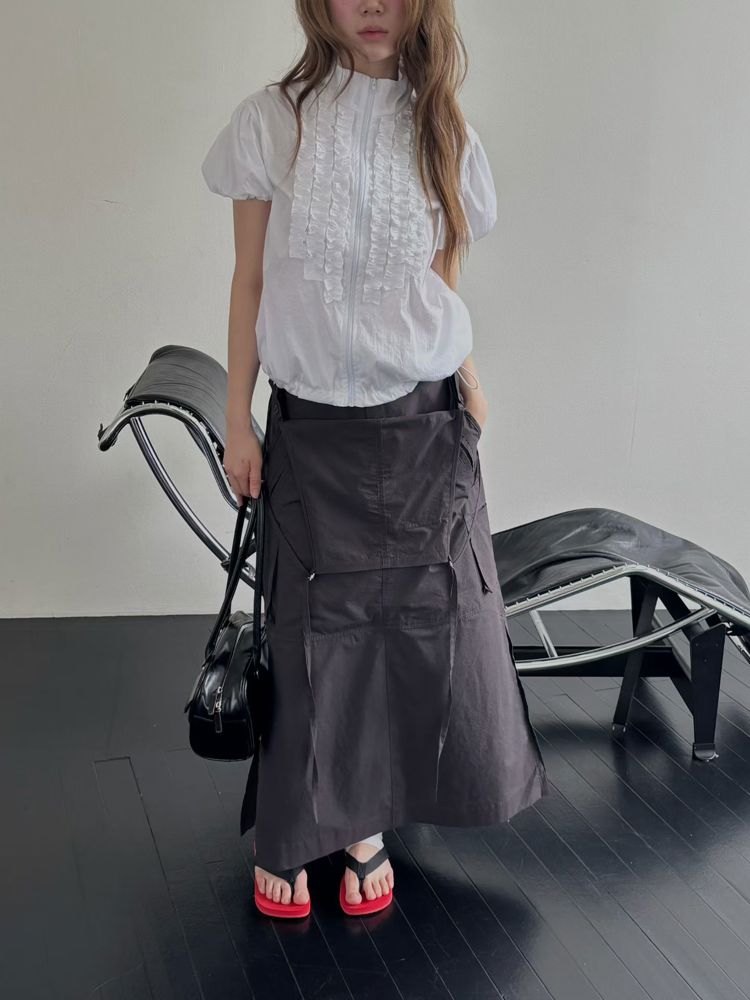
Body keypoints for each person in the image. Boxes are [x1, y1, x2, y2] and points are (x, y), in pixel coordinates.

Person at [201, 0, 551, 919]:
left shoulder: (444, 131)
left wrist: (470, 376)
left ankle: (366, 825)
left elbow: (439, 281)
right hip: (312, 426)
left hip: (422, 419)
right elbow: (249, 280)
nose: (370, 5)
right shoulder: (272, 122)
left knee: (416, 628)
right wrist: (238, 418)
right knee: (313, 632)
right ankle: (297, 824)